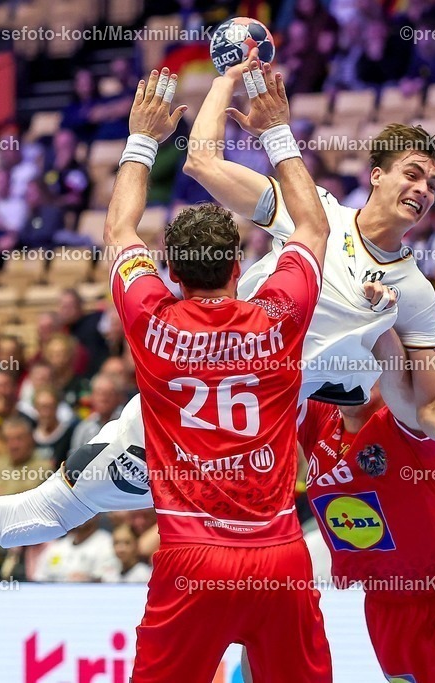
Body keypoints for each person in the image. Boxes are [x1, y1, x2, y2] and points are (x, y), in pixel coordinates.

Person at [0, 51, 435, 646]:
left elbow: (422, 401)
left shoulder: (414, 292)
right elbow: (201, 163)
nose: (423, 189)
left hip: (263, 439)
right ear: (375, 174)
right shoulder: (318, 220)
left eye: (433, 182)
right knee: (46, 513)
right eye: (413, 172)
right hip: (186, 426)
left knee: (279, 571)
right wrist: (225, 77)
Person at [105, 62, 333, 682]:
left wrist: (142, 139)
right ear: (238, 265)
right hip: (279, 556)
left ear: (172, 275)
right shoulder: (277, 316)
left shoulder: (153, 320)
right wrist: (278, 131)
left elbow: (121, 230)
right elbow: (314, 228)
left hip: (190, 560)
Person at [301, 331, 435, 681]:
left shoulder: (407, 425)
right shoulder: (319, 420)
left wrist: (375, 308)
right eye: (341, 366)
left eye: (361, 367)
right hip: (386, 607)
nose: (349, 376)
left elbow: (402, 355)